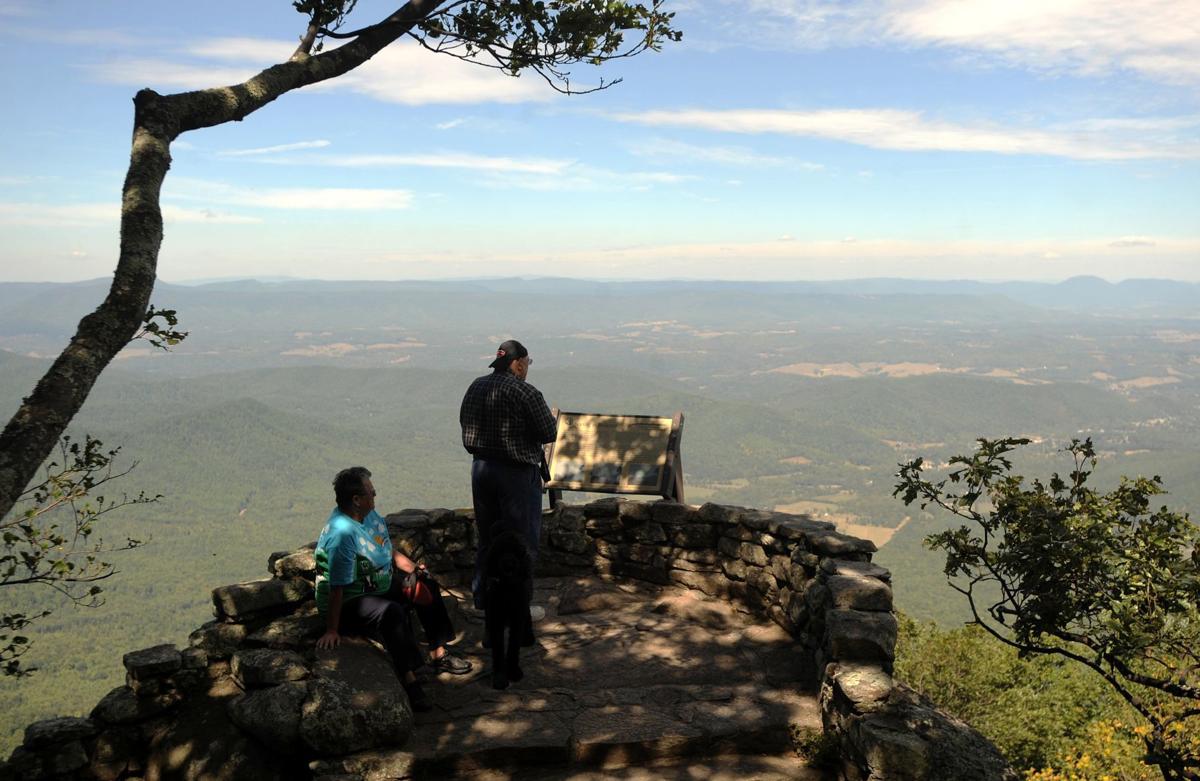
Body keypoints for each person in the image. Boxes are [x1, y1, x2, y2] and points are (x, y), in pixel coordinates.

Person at [314, 466, 471, 712]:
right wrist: (332, 629)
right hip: (349, 601)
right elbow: (337, 587)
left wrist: (412, 569)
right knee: (392, 612)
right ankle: (410, 680)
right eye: (371, 493)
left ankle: (439, 654)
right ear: (356, 500)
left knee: (425, 584)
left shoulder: (369, 517)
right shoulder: (342, 535)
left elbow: (385, 549)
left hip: (377, 586)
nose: (375, 496)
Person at [459, 339, 557, 615]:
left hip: (481, 470)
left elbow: (464, 423)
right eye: (527, 363)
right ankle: (517, 607)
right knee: (521, 541)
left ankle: (482, 602)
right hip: (516, 473)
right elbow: (549, 432)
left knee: (488, 537)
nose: (527, 369)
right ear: (518, 364)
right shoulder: (526, 393)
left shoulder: (476, 387)